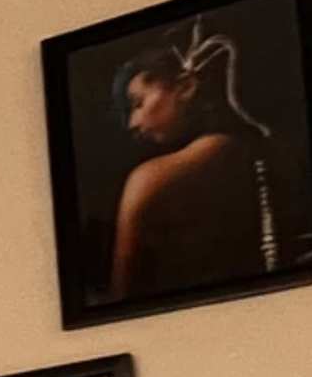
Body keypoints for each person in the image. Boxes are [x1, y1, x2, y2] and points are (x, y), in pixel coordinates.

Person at [103, 24, 281, 302]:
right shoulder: (251, 151)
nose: (132, 124)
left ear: (185, 86)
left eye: (138, 103)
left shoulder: (148, 180)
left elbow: (121, 300)